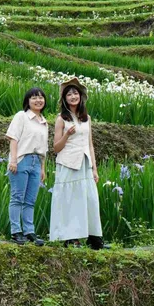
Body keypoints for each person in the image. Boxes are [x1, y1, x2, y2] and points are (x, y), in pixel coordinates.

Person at [50, 78, 104, 248]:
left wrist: (94, 169)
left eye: (75, 93)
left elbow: (90, 144)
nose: (73, 96)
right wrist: (67, 135)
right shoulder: (61, 119)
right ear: (65, 99)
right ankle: (71, 238)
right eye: (69, 94)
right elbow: (56, 148)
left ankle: (94, 237)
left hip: (84, 163)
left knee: (89, 199)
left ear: (80, 96)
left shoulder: (86, 118)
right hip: (68, 163)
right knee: (70, 200)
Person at [5, 88, 49, 246]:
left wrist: (43, 168)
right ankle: (16, 232)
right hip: (22, 160)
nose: (38, 100)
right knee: (17, 197)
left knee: (30, 200)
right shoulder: (21, 116)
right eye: (34, 98)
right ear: (28, 101)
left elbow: (44, 148)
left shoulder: (44, 121)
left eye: (41, 97)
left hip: (36, 162)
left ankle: (29, 231)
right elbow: (13, 139)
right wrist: (13, 160)